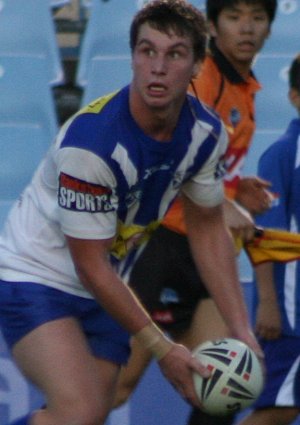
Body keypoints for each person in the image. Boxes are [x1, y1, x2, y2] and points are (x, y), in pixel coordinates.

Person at [0, 1, 262, 425]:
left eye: (175, 53)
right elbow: (89, 264)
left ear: (198, 65)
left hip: (107, 279)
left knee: (90, 415)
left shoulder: (205, 134)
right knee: (80, 412)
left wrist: (241, 328)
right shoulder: (92, 145)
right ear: (133, 57)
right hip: (35, 274)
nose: (157, 66)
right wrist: (164, 349)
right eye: (147, 50)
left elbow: (208, 227)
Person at [113, 1, 277, 424]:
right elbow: (166, 150)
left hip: (204, 254)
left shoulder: (245, 88)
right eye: (235, 16)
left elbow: (206, 166)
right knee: (111, 389)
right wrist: (223, 205)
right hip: (158, 246)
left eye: (258, 18)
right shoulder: (201, 77)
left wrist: (236, 189)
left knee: (221, 390)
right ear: (214, 25)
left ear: (270, 28)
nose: (247, 28)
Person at [236, 53, 300, 425]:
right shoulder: (282, 155)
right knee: (280, 408)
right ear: (294, 97)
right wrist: (268, 304)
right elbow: (262, 234)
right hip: (291, 312)